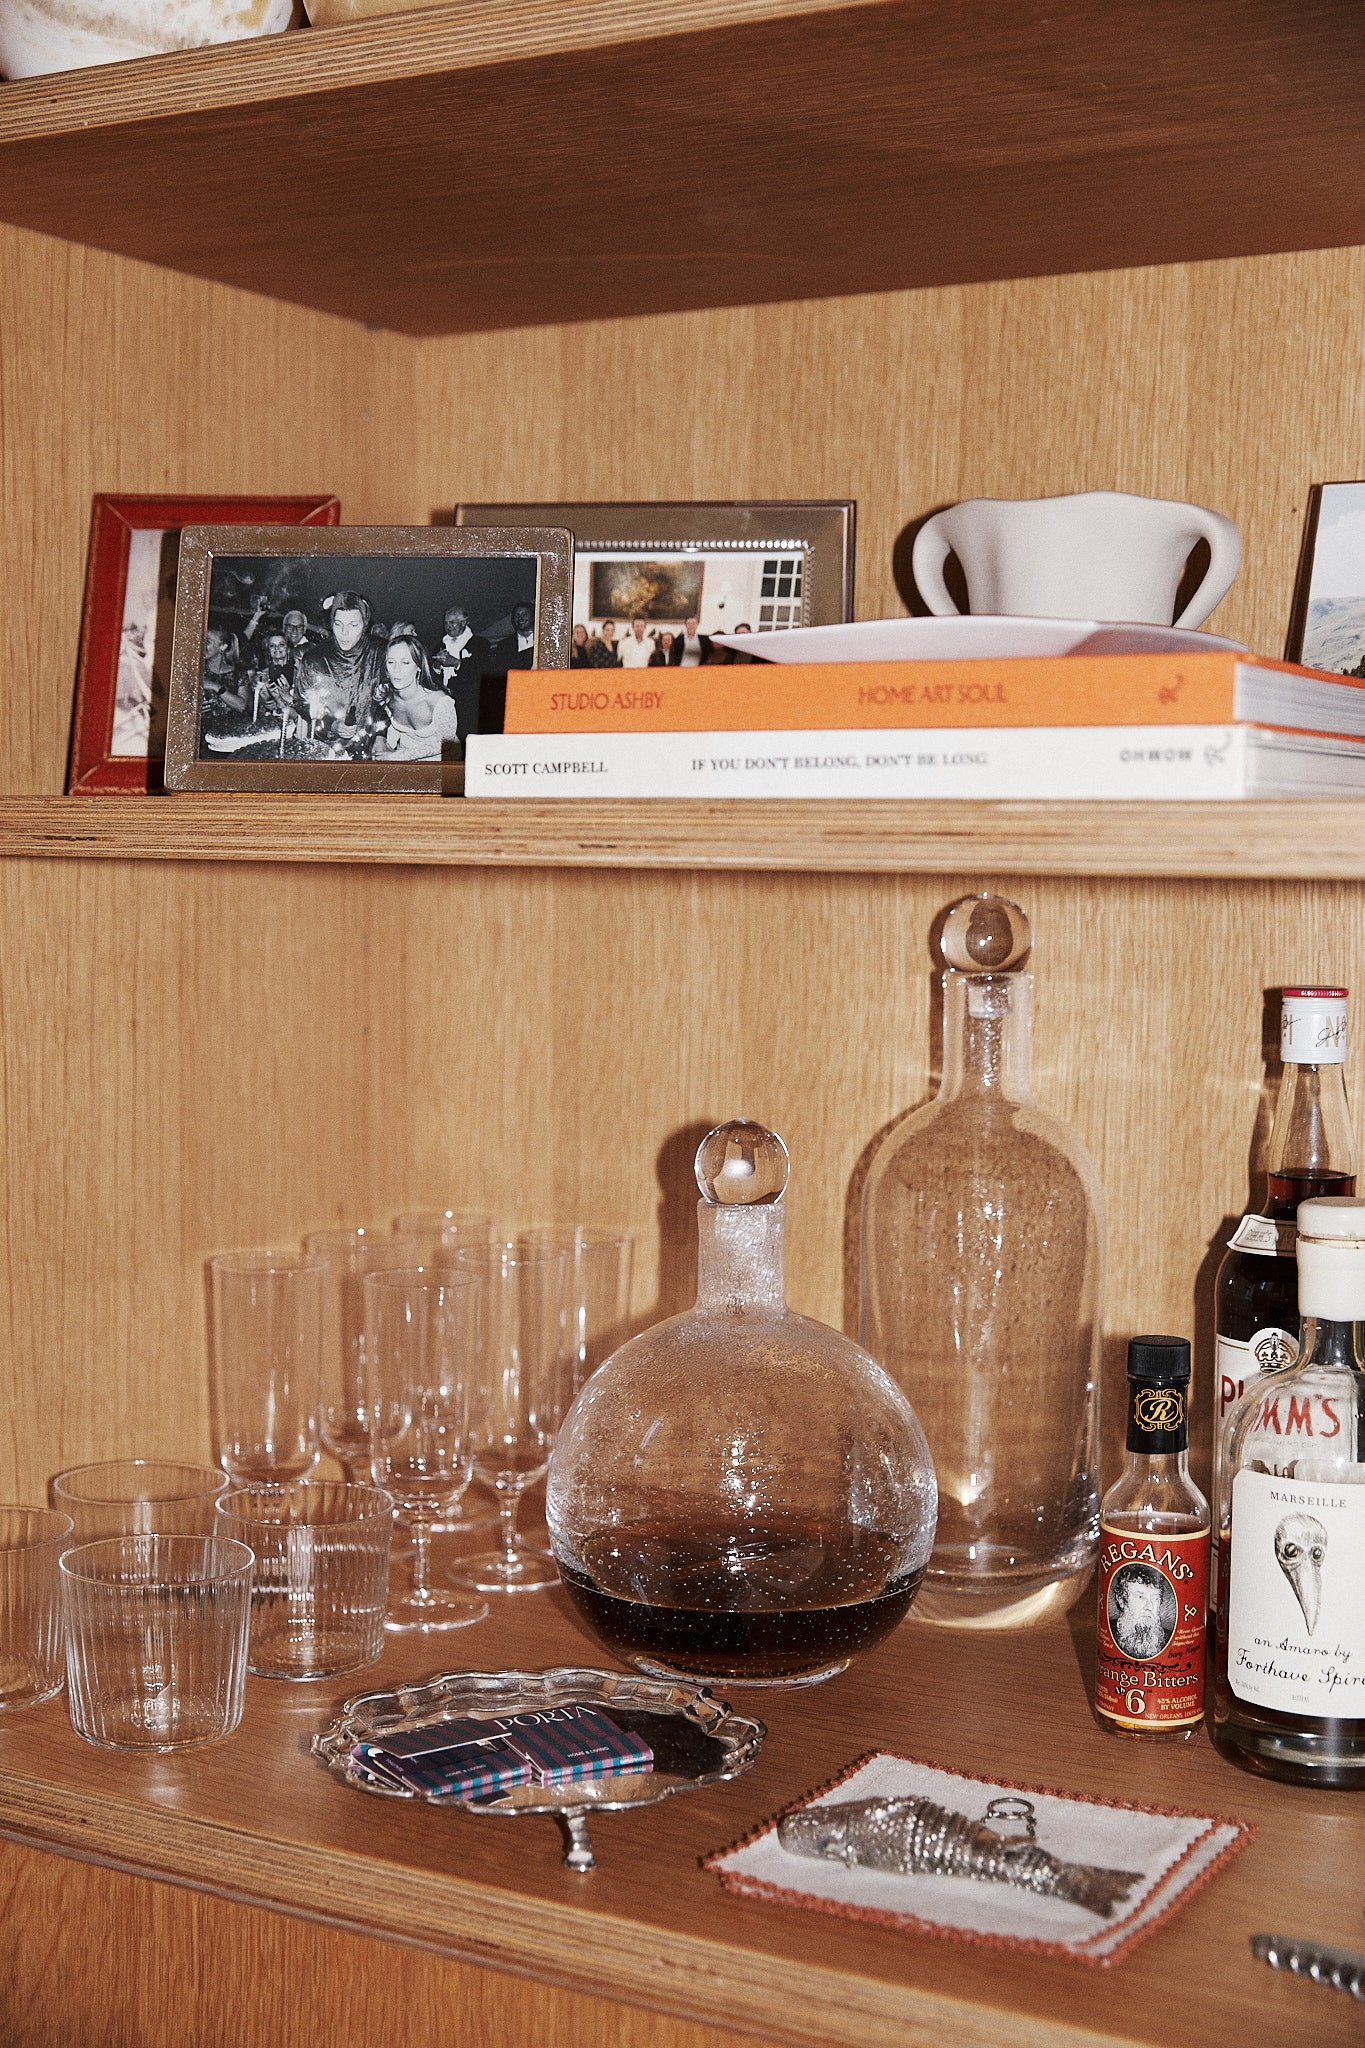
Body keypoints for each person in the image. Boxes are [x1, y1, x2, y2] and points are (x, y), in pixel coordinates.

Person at [296, 590, 385, 747]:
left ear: (365, 624)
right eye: (338, 624)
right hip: (325, 748)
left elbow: (395, 698)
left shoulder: (382, 653)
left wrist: (381, 737)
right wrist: (331, 723)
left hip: (372, 749)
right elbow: (301, 701)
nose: (344, 633)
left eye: (353, 625)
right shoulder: (314, 658)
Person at [374, 625, 461, 761]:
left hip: (443, 765)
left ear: (419, 666)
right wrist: (385, 746)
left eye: (405, 662)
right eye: (391, 662)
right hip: (406, 763)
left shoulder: (439, 701)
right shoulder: (388, 695)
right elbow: (395, 727)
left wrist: (398, 756)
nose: (396, 670)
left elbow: (446, 744)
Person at [487, 601, 537, 672]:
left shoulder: (541, 640)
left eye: (524, 614)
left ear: (533, 617)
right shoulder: (504, 645)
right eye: (516, 615)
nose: (520, 618)